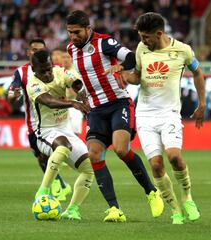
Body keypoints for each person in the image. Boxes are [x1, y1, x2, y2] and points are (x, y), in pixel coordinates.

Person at [66, 10, 163, 222]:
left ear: (88, 29)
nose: (73, 37)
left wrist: (120, 67)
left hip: (119, 103)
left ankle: (151, 192)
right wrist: (82, 96)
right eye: (70, 32)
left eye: (77, 32)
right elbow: (85, 76)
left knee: (121, 149)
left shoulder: (104, 42)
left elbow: (130, 57)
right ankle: (114, 209)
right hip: (96, 109)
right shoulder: (70, 49)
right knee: (94, 155)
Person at [113, 12, 205, 224]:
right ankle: (175, 210)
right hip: (145, 114)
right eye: (140, 36)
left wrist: (202, 104)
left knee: (174, 156)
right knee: (155, 164)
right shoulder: (141, 48)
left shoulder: (183, 50)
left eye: (146, 37)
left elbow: (198, 73)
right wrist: (125, 76)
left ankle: (187, 197)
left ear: (159, 33)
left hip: (169, 113)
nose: (143, 41)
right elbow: (137, 76)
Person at [28, 50, 93, 220]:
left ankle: (72, 210)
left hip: (66, 129)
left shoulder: (59, 72)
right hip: (46, 132)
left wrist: (80, 93)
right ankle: (43, 191)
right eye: (43, 71)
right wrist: (73, 103)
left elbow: (76, 82)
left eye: (49, 68)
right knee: (63, 145)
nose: (48, 73)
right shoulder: (33, 84)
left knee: (89, 168)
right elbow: (48, 102)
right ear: (34, 70)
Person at [7, 38, 72, 201]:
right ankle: (60, 185)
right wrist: (12, 96)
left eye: (41, 49)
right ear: (29, 52)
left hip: (58, 119)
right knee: (40, 157)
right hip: (34, 123)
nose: (37, 52)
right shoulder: (21, 73)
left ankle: (56, 186)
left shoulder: (55, 69)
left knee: (53, 151)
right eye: (34, 50)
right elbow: (11, 93)